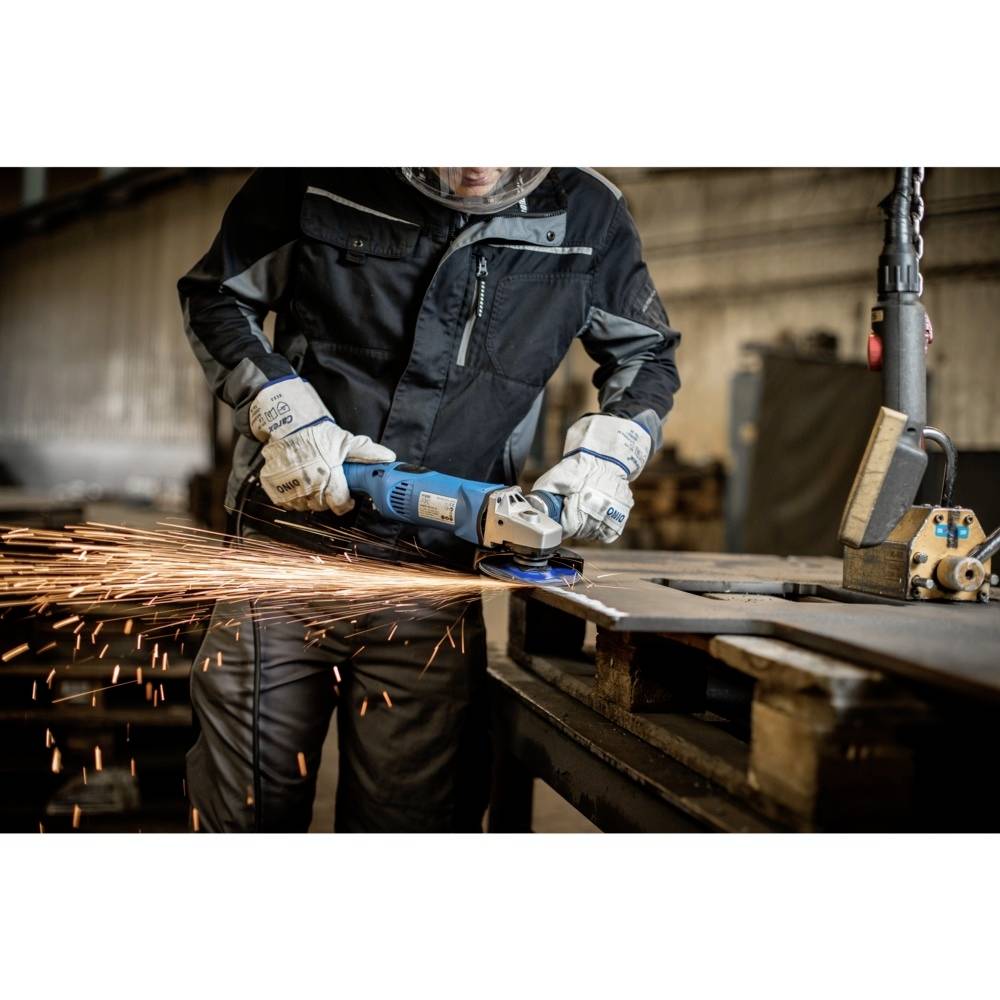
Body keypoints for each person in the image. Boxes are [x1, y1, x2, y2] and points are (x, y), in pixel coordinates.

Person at [177, 167, 681, 832]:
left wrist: (609, 455)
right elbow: (216, 297)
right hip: (286, 552)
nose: (476, 169)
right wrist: (280, 408)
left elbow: (648, 356)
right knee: (242, 817)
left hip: (436, 575)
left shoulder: (588, 214)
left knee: (413, 824)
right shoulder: (316, 173)